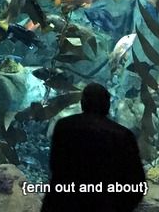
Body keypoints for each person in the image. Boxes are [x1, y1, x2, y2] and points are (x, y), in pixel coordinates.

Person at [41, 82, 146, 212]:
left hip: (65, 202)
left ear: (82, 103)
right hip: (105, 204)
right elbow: (137, 181)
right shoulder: (123, 135)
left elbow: (55, 165)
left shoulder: (64, 126)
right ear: (107, 105)